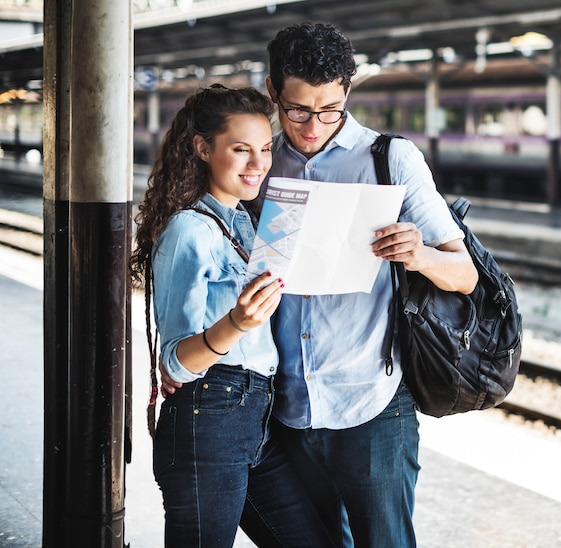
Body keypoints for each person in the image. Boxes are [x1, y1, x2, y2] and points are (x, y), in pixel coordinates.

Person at [162, 24, 478, 547]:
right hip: (284, 408)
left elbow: (463, 275)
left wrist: (418, 254)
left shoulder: (391, 159)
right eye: (298, 110)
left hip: (370, 400)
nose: (313, 125)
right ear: (272, 91)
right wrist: (198, 353)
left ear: (347, 93)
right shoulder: (262, 161)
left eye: (329, 109)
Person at [129, 84, 336, 548]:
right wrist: (237, 324)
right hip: (210, 412)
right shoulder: (189, 229)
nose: (258, 163)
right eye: (241, 149)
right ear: (203, 148)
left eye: (264, 149)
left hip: (254, 417)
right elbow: (175, 362)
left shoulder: (243, 221)